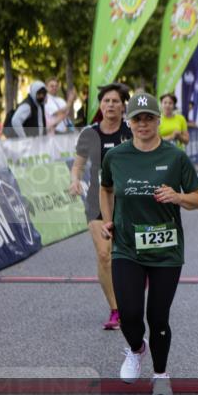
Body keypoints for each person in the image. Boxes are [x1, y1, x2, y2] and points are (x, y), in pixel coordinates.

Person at [100, 93, 198, 395]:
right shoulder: (116, 157)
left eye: (149, 118)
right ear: (128, 123)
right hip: (127, 247)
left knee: (158, 317)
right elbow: (105, 189)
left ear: (159, 120)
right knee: (129, 313)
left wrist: (179, 197)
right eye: (137, 118)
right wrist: (107, 219)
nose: (143, 123)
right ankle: (135, 349)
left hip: (165, 249)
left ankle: (160, 374)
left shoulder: (175, 157)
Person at [69, 83, 133, 330]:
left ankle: (135, 289)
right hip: (97, 200)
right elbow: (78, 164)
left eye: (115, 101)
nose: (110, 105)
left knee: (129, 256)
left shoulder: (130, 130)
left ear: (123, 105)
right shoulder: (89, 134)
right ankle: (116, 310)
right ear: (100, 104)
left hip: (128, 200)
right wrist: (74, 180)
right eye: (106, 101)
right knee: (105, 255)